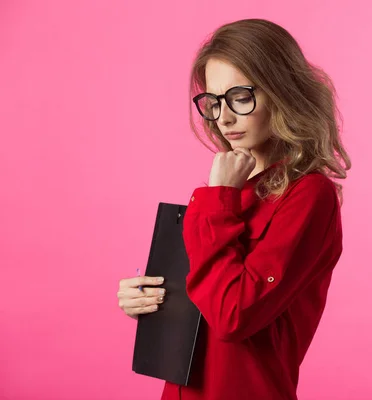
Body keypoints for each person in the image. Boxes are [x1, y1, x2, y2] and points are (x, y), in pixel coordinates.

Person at [117, 18, 351, 400]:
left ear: (281, 91)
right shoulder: (227, 192)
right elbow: (209, 295)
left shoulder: (309, 195)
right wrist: (155, 299)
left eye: (240, 96)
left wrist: (219, 197)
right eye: (213, 102)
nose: (224, 118)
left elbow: (233, 315)